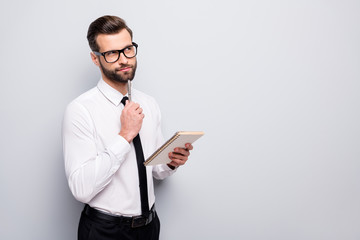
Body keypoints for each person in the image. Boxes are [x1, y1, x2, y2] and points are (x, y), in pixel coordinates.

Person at [62, 15, 193, 240]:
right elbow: (80, 189)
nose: (124, 60)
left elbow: (155, 170)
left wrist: (171, 161)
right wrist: (124, 136)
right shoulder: (80, 110)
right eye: (112, 53)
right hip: (105, 231)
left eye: (128, 49)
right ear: (96, 59)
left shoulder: (149, 104)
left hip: (150, 227)